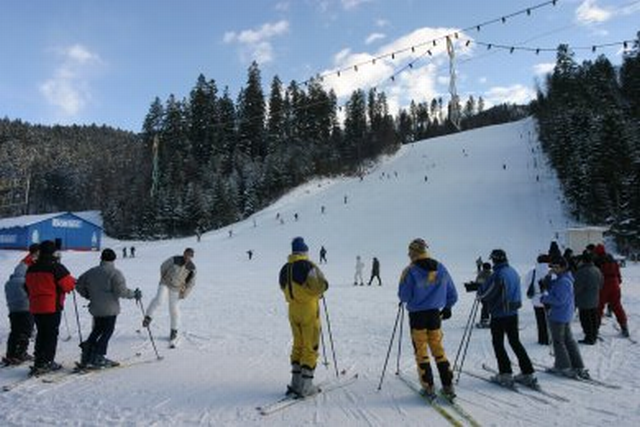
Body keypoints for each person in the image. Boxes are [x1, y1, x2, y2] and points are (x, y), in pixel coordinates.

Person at [398, 238, 457, 397]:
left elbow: (404, 296)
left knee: (421, 350)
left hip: (417, 316)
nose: (409, 255)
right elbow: (452, 292)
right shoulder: (441, 267)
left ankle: (428, 386)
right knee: (438, 349)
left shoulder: (410, 271)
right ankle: (448, 384)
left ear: (414, 252)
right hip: (434, 315)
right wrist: (448, 306)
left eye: (410, 252)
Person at [478, 249, 536, 387]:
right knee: (515, 342)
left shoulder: (498, 274)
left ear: (494, 260)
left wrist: (480, 293)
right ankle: (527, 372)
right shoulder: (512, 271)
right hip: (513, 313)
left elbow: (488, 293)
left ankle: (505, 373)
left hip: (499, 313)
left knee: (498, 343)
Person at [279, 237, 328, 397]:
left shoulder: (285, 268)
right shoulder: (307, 266)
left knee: (298, 344)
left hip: (293, 309)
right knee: (310, 345)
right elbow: (320, 284)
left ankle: (296, 382)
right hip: (308, 309)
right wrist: (316, 292)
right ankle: (306, 385)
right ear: (304, 251)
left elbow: (283, 287)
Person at [76, 249, 142, 368]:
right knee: (107, 331)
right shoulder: (115, 273)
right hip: (109, 309)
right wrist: (134, 294)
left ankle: (87, 354)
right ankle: (98, 356)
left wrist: (87, 295)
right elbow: (121, 291)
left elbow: (79, 284)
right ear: (114, 259)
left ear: (101, 258)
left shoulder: (91, 272)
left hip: (96, 307)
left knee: (97, 330)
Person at [25, 240, 76, 375]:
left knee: (41, 334)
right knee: (50, 335)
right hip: (51, 306)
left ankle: (39, 361)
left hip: (35, 306)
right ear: (53, 252)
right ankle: (47, 362)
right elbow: (68, 285)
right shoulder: (56, 267)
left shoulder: (31, 267)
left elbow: (26, 287)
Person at [540, 256, 589, 379]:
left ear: (563, 267)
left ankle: (563, 366)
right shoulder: (563, 279)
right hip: (564, 313)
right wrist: (548, 277)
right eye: (553, 267)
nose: (554, 269)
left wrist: (545, 299)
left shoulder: (563, 281)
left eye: (556, 267)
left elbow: (559, 299)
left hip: (559, 314)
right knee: (568, 340)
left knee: (558, 341)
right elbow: (552, 288)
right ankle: (576, 365)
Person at [142, 248, 196, 342]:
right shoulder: (175, 259)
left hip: (177, 288)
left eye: (190, 255)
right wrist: (164, 277)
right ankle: (148, 317)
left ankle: (174, 330)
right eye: (186, 254)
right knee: (159, 300)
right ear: (184, 253)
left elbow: (191, 283)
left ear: (192, 257)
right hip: (165, 283)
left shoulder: (192, 268)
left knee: (174, 309)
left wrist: (185, 293)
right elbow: (163, 266)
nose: (187, 257)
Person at [3, 244, 39, 365]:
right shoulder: (31, 263)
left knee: (15, 330)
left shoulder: (22, 264)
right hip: (24, 303)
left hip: (14, 305)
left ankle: (12, 353)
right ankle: (19, 353)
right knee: (25, 329)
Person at [593, 244, 629, 337]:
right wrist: (618, 282)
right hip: (615, 284)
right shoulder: (612, 260)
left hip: (603, 284)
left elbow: (596, 275)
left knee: (599, 307)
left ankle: (595, 329)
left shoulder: (597, 261)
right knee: (617, 306)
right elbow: (618, 273)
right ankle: (624, 327)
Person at [573, 252, 603, 345]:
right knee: (593, 317)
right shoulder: (597, 269)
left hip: (584, 300)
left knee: (586, 319)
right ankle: (594, 335)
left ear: (583, 261)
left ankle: (589, 337)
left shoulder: (582, 271)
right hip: (595, 298)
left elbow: (577, 287)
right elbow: (601, 283)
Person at [524, 254, 551, 345]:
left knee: (540, 320)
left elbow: (527, 283)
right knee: (550, 320)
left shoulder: (533, 272)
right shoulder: (550, 271)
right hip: (549, 299)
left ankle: (541, 338)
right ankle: (549, 338)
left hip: (536, 299)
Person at [475, 262, 492, 328]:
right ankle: (485, 319)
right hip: (489, 295)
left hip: (482, 294)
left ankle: (484, 319)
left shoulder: (480, 274)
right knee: (487, 306)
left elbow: (477, 283)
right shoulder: (491, 274)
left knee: (485, 306)